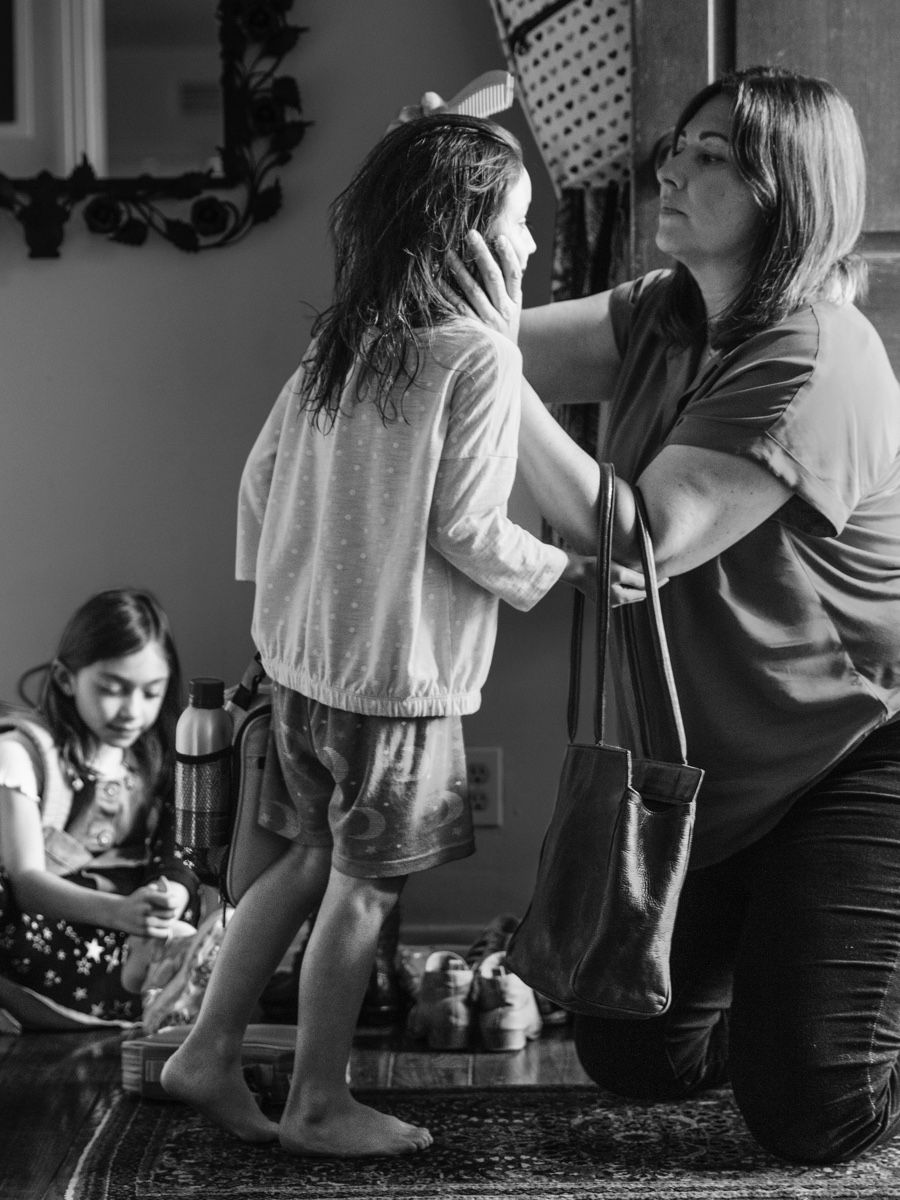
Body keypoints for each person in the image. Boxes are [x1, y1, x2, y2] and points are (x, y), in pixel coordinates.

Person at [437, 64, 900, 1166]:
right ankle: (812, 981)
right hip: (712, 778)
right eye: (677, 147)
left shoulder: (818, 357)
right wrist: (442, 189)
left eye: (712, 157)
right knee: (632, 1058)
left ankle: (837, 1010)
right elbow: (470, 340)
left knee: (814, 1119)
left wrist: (497, 379)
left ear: (785, 190)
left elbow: (641, 529)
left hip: (855, 758)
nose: (672, 169)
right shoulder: (661, 312)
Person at [160, 113, 606, 1158]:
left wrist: (290, 608)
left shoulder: (343, 341)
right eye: (520, 223)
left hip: (305, 668)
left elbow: (260, 481)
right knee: (366, 891)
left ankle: (208, 1051)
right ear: (464, 239)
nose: (534, 246)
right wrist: (566, 570)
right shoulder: (477, 358)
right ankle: (318, 1101)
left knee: (309, 859)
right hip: (396, 687)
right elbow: (467, 529)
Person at [0, 588, 200, 1030]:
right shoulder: (23, 754)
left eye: (151, 693)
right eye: (112, 690)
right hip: (47, 924)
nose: (132, 711)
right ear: (66, 679)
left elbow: (179, 852)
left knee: (192, 886)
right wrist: (119, 913)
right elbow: (28, 883)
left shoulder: (155, 759)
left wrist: (163, 903)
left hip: (126, 922)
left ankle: (149, 968)